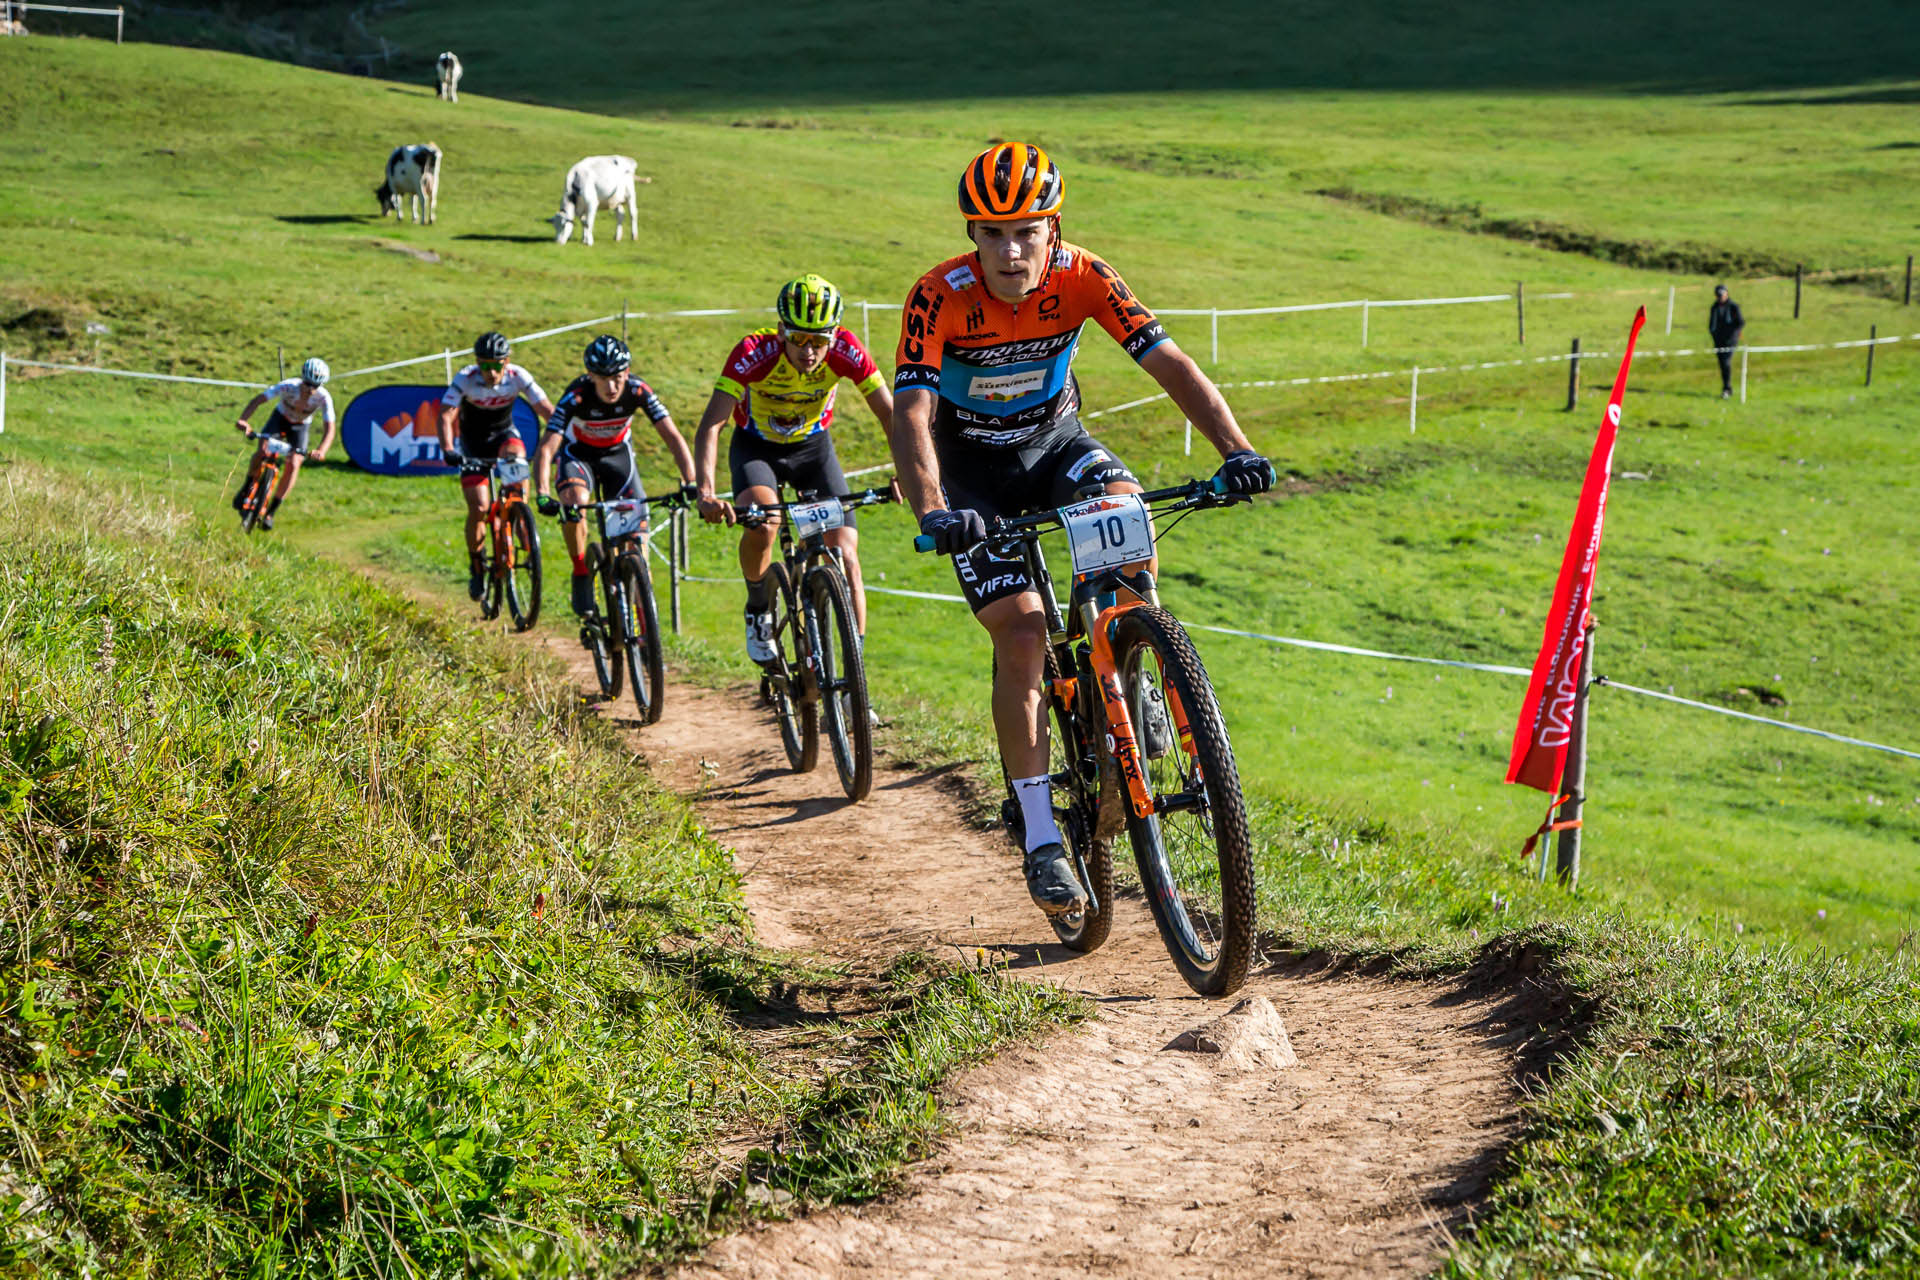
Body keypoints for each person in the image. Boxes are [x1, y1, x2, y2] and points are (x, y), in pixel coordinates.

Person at [889, 141, 1273, 919]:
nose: (1010, 249)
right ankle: (1038, 835)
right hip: (970, 478)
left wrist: (1238, 450)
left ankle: (1138, 665)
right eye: (991, 233)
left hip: (1055, 445)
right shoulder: (938, 296)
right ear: (972, 235)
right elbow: (913, 412)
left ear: (1053, 228)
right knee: (1024, 637)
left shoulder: (1086, 276)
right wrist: (933, 506)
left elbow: (1170, 364)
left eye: (1026, 230)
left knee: (1125, 512)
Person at [692, 274, 894, 664]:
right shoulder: (754, 351)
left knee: (847, 555)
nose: (809, 350)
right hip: (757, 449)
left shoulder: (847, 350)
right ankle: (757, 608)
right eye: (799, 338)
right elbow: (712, 424)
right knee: (764, 525)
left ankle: (854, 670)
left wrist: (908, 473)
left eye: (820, 340)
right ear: (782, 329)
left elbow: (889, 414)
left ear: (834, 335)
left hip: (813, 449)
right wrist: (706, 492)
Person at [534, 335, 697, 616]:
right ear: (590, 376)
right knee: (574, 503)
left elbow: (672, 437)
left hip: (617, 457)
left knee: (637, 539)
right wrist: (542, 493)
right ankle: (581, 569)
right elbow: (548, 447)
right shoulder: (577, 395)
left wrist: (690, 482)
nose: (612, 387)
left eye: (619, 378)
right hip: (579, 456)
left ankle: (643, 612)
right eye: (603, 379)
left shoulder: (637, 391)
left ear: (628, 373)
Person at [438, 331, 556, 599]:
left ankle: (519, 517)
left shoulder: (518, 376)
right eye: (485, 365)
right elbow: (446, 415)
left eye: (497, 365)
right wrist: (447, 448)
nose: (491, 372)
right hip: (472, 444)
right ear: (477, 363)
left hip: (505, 436)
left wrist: (563, 436)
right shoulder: (465, 379)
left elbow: (546, 409)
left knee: (516, 459)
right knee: (479, 507)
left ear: (507, 362)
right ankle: (477, 565)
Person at [231, 357, 337, 530]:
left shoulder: (324, 398)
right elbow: (258, 400)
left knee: (294, 464)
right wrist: (243, 420)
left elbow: (330, 428)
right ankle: (246, 487)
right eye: (307, 383)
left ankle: (271, 512)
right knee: (262, 452)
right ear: (302, 378)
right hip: (280, 419)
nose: (310, 389)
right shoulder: (288, 386)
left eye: (315, 386)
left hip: (300, 427)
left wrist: (321, 450)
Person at [1709, 284, 1745, 399]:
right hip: (1718, 341)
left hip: (1731, 341)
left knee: (1726, 362)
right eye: (1718, 296)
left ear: (1727, 294)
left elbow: (1741, 322)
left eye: (1722, 295)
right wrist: (1714, 335)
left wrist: (1733, 334)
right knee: (1722, 365)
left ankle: (1727, 389)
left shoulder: (1733, 307)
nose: (1720, 298)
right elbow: (1711, 325)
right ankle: (1726, 387)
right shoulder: (1714, 307)